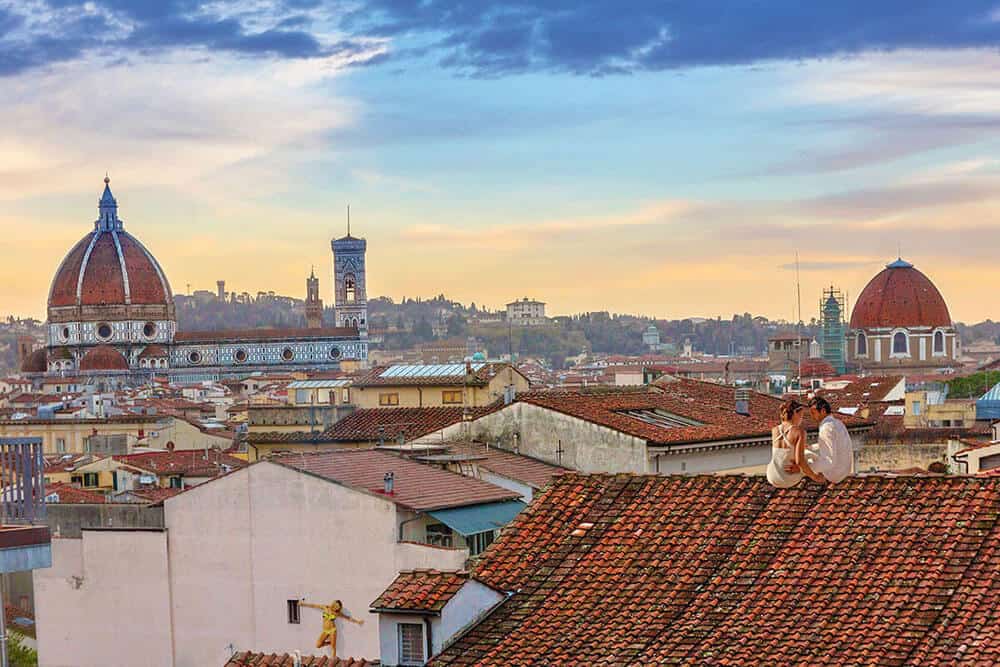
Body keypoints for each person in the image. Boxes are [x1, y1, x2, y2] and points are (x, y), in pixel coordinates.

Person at [767, 400, 823, 487]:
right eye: (801, 416)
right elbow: (799, 461)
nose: (801, 419)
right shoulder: (799, 432)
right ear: (795, 414)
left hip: (771, 475)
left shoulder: (775, 430)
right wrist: (815, 477)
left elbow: (784, 451)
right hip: (787, 477)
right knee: (812, 456)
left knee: (806, 452)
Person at [803, 396, 853, 484]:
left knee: (803, 456)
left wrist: (803, 469)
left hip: (833, 474)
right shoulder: (838, 423)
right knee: (807, 451)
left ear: (823, 411)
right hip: (844, 470)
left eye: (813, 413)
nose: (812, 416)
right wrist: (811, 447)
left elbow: (829, 462)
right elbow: (832, 444)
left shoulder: (826, 428)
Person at [300, 599, 364, 657]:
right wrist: (302, 604)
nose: (337, 609)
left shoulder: (337, 613)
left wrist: (358, 621)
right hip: (325, 630)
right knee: (318, 645)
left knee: (333, 648)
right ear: (334, 604)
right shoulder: (325, 607)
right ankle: (330, 642)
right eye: (337, 607)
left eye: (338, 608)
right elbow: (313, 605)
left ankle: (332, 661)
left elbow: (347, 618)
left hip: (332, 630)